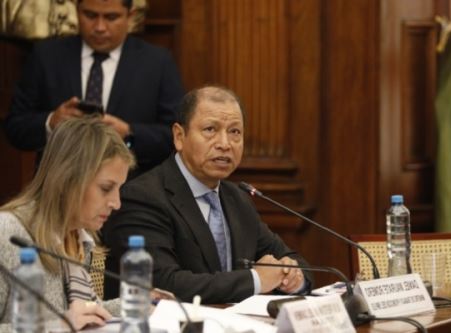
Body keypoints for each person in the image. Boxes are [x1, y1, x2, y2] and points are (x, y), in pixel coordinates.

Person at [102, 86, 314, 303]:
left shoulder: (237, 197)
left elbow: (295, 261)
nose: (224, 144)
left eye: (235, 132)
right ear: (179, 136)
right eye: (210, 129)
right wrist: (256, 280)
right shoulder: (143, 197)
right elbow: (162, 284)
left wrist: (293, 277)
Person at [4, 0, 184, 178]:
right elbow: (15, 127)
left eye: (111, 17)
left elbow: (177, 135)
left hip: (131, 193)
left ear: (130, 16)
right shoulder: (46, 56)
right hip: (59, 189)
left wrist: (129, 134)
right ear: (77, 10)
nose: (99, 27)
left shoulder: (158, 62)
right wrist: (51, 123)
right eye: (90, 15)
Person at [0, 116, 135, 331]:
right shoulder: (7, 233)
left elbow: (85, 312)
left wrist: (138, 304)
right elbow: (65, 320)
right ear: (69, 180)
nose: (116, 203)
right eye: (106, 188)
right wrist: (59, 325)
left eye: (119, 189)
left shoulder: (75, 238)